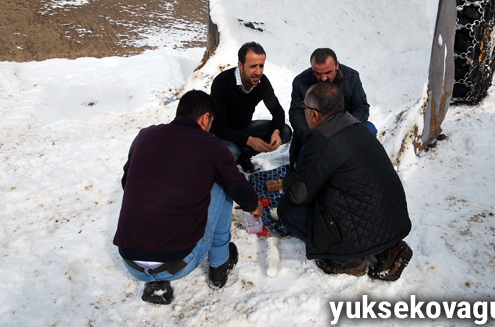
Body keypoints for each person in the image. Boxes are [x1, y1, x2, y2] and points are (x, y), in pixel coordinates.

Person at [113, 90, 264, 305]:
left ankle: (155, 280)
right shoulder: (210, 145)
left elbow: (126, 184)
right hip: (178, 262)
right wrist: (255, 207)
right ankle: (219, 265)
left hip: (131, 262)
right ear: (205, 119)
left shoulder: (145, 136)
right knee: (223, 184)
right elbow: (238, 187)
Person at [278, 82, 413, 280]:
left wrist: (288, 179)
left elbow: (300, 194)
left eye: (304, 108)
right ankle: (387, 248)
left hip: (360, 217)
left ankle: (347, 260)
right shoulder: (357, 126)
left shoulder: (322, 137)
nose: (304, 112)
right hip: (391, 218)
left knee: (287, 208)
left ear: (314, 114)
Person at [210, 41, 292, 172]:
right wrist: (250, 141)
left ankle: (243, 156)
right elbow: (218, 127)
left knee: (285, 131)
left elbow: (277, 110)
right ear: (240, 65)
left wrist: (276, 132)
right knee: (232, 151)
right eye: (253, 66)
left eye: (261, 66)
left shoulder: (261, 82)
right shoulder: (222, 82)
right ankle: (231, 160)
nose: (258, 72)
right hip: (220, 134)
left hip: (244, 128)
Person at [289, 48, 374, 170]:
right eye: (317, 73)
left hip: (345, 128)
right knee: (304, 165)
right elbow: (295, 113)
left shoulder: (352, 77)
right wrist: (309, 135)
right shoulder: (300, 81)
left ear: (337, 65)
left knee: (370, 130)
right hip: (315, 131)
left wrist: (347, 130)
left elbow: (362, 107)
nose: (323, 78)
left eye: (328, 72)